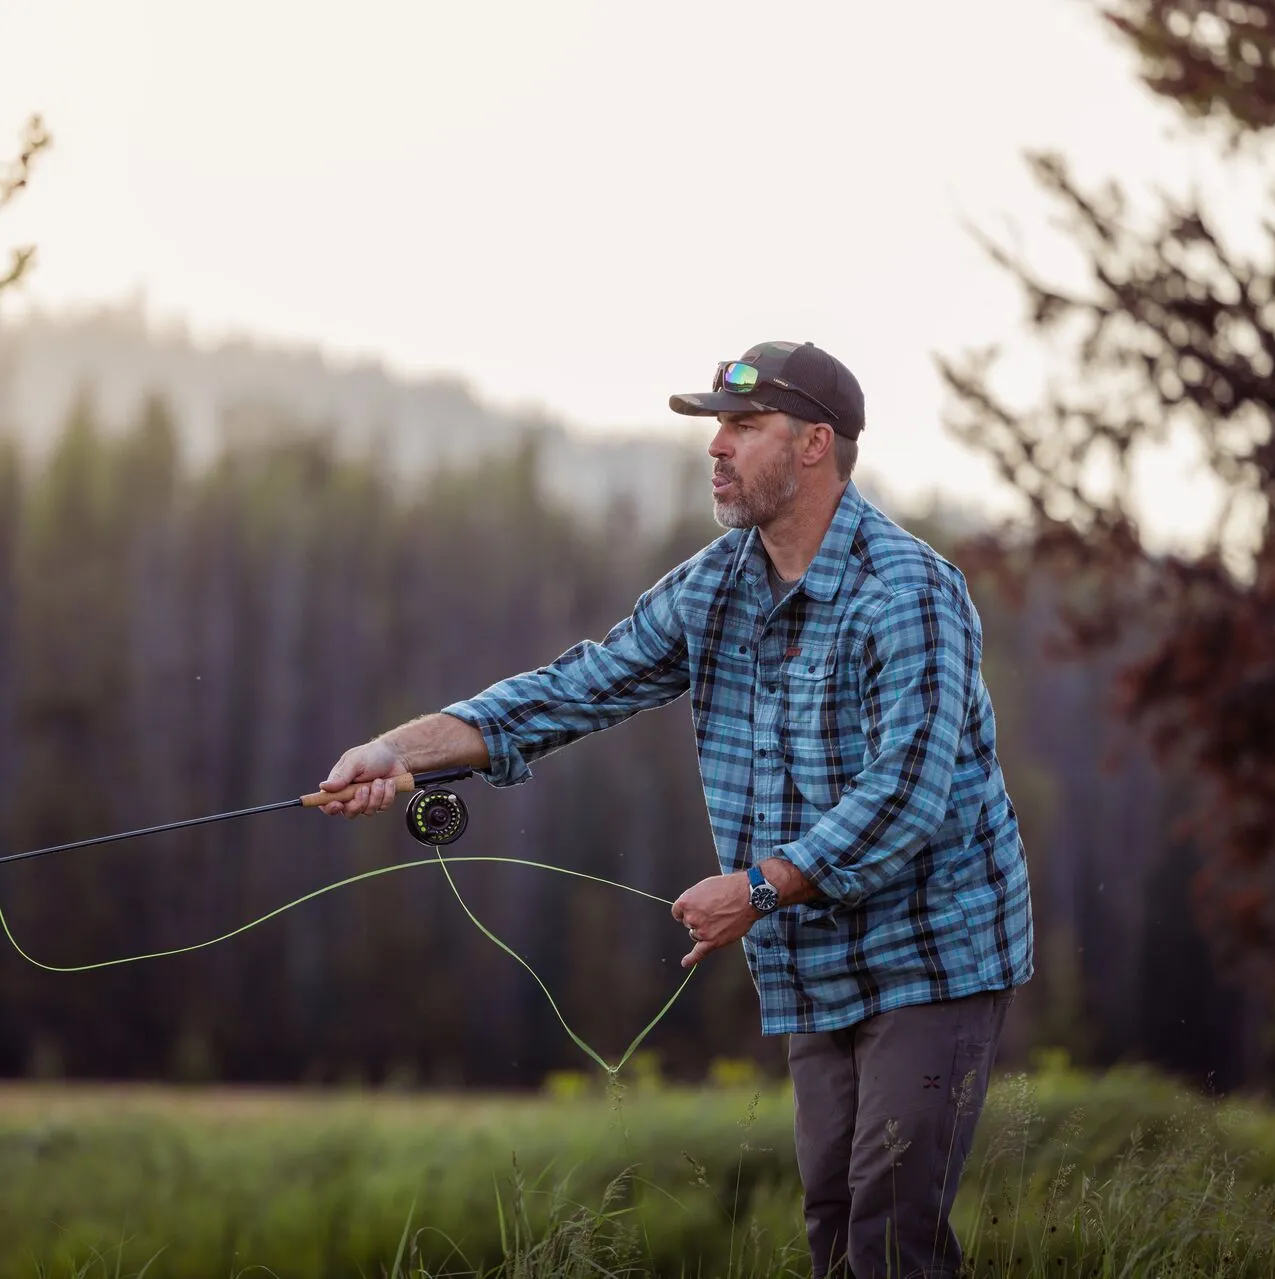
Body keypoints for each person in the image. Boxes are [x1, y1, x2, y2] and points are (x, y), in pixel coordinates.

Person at [319, 340, 1034, 1279]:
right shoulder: (718, 583)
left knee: (892, 1235)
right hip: (816, 959)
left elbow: (905, 795)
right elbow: (576, 687)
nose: (717, 447)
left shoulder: (909, 592)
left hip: (937, 953)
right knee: (832, 1222)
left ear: (815, 444)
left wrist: (758, 889)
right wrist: (394, 753)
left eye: (744, 426)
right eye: (715, 428)